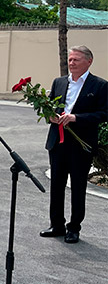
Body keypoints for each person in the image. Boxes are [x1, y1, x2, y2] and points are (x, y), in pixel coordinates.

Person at [39, 45, 107, 244]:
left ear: (88, 61)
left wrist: (76, 118)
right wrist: (50, 116)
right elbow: (50, 106)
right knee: (57, 185)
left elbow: (104, 114)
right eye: (70, 59)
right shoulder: (59, 82)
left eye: (76, 59)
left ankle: (74, 228)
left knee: (78, 186)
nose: (71, 63)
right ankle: (57, 225)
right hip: (57, 141)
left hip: (81, 143)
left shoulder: (100, 86)